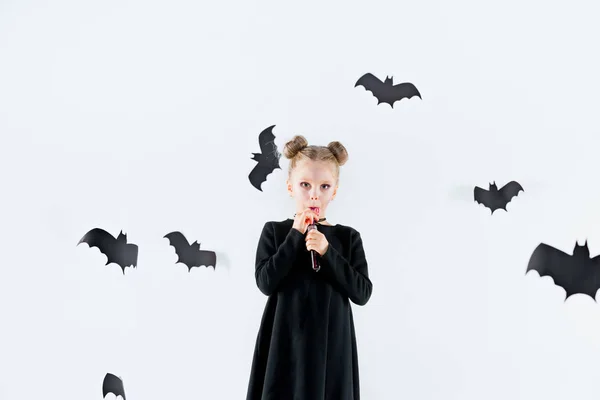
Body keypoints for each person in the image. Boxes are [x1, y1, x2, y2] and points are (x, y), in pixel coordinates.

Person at [246, 135, 373, 400]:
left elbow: (362, 293)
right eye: (305, 184)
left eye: (324, 186)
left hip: (331, 344)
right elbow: (265, 282)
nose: (314, 194)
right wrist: (295, 235)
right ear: (290, 187)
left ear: (335, 191)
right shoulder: (275, 232)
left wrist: (327, 251)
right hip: (285, 342)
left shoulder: (348, 238)